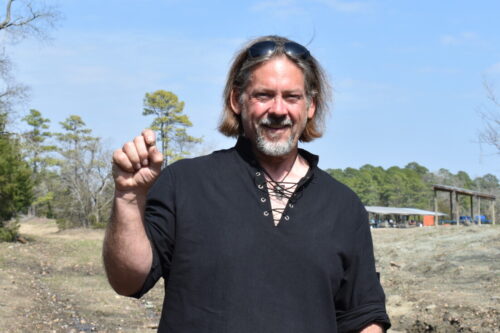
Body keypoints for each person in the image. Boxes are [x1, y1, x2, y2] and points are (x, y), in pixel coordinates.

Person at [103, 35, 391, 333]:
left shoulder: (343, 207)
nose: (279, 110)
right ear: (236, 100)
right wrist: (127, 197)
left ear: (311, 106)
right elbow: (127, 281)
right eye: (263, 95)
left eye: (292, 97)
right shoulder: (185, 183)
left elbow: (362, 316)